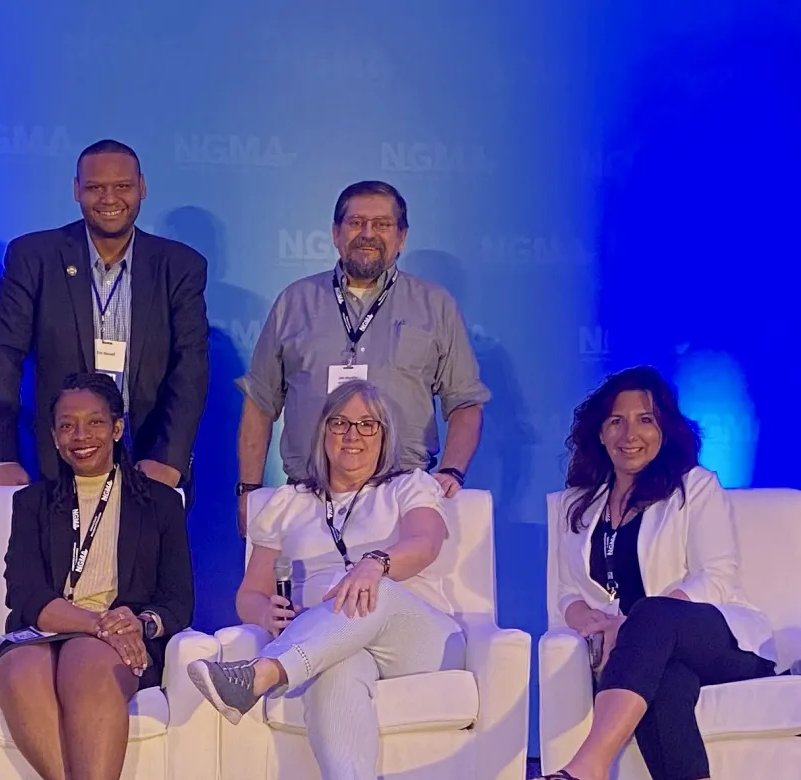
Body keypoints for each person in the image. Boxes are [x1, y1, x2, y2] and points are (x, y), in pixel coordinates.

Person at [189, 379, 464, 780]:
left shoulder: (407, 486)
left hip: (417, 641)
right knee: (337, 669)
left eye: (367, 424)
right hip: (334, 643)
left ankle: (263, 673)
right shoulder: (288, 503)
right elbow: (250, 593)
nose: (352, 435)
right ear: (323, 432)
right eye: (340, 423)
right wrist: (266, 613)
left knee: (373, 589)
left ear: (384, 435)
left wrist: (375, 564)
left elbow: (426, 542)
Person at [537, 366, 776, 780]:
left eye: (645, 420)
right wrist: (582, 616)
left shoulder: (693, 486)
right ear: (600, 433)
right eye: (617, 421)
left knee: (652, 615)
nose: (630, 434)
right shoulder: (578, 504)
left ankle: (588, 766)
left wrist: (639, 621)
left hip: (722, 642)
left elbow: (716, 576)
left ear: (664, 429)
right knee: (665, 684)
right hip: (644, 657)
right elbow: (564, 589)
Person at [237, 181, 488, 533]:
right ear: (336, 233)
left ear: (402, 237)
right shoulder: (294, 301)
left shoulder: (435, 304)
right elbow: (260, 402)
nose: (368, 233)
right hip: (308, 498)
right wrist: (248, 491)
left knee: (389, 589)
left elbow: (465, 402)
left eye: (382, 225)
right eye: (356, 223)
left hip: (402, 497)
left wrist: (450, 471)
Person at [0, 373, 193, 780]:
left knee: (84, 658)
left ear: (117, 428)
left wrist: (139, 622)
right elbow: (26, 594)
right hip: (46, 633)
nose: (80, 435)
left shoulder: (161, 503)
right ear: (53, 434)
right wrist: (100, 625)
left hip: (123, 637)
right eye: (67, 425)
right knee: (18, 669)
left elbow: (178, 601)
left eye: (95, 422)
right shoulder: (32, 502)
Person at [0, 139, 210, 489]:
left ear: (142, 188)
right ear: (76, 190)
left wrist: (170, 458)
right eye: (95, 188)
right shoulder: (34, 257)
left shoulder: (179, 267)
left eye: (122, 186)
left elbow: (190, 369)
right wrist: (0, 456)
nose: (109, 199)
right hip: (52, 468)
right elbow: (2, 357)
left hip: (148, 465)